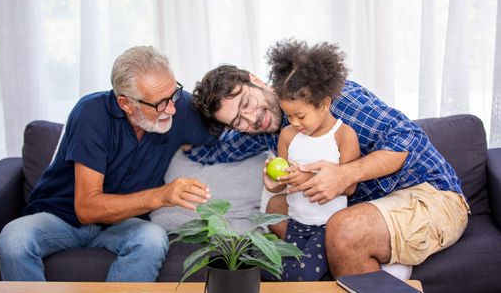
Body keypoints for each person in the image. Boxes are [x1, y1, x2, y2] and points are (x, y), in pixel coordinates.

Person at [189, 39, 470, 279]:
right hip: (361, 206)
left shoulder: (330, 97)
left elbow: (408, 138)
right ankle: (368, 254)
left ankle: (369, 254)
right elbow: (216, 150)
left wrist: (345, 173)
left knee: (343, 230)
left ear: (257, 81)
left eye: (246, 104)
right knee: (275, 207)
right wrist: (172, 126)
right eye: (238, 121)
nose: (252, 118)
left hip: (427, 194)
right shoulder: (266, 128)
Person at [0, 45, 233, 282]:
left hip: (124, 225)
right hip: (61, 218)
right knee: (14, 239)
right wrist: (162, 196)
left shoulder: (177, 107)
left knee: (152, 239)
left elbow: (233, 129)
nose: (171, 108)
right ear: (126, 104)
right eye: (160, 103)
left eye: (174, 94)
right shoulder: (91, 113)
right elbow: (87, 208)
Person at [262, 43, 360, 281]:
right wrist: (272, 181)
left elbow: (349, 186)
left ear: (324, 104)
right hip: (295, 222)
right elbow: (281, 183)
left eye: (301, 115)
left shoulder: (343, 135)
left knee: (302, 276)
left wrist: (307, 179)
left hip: (328, 226)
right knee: (276, 273)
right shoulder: (287, 136)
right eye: (289, 115)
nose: (294, 122)